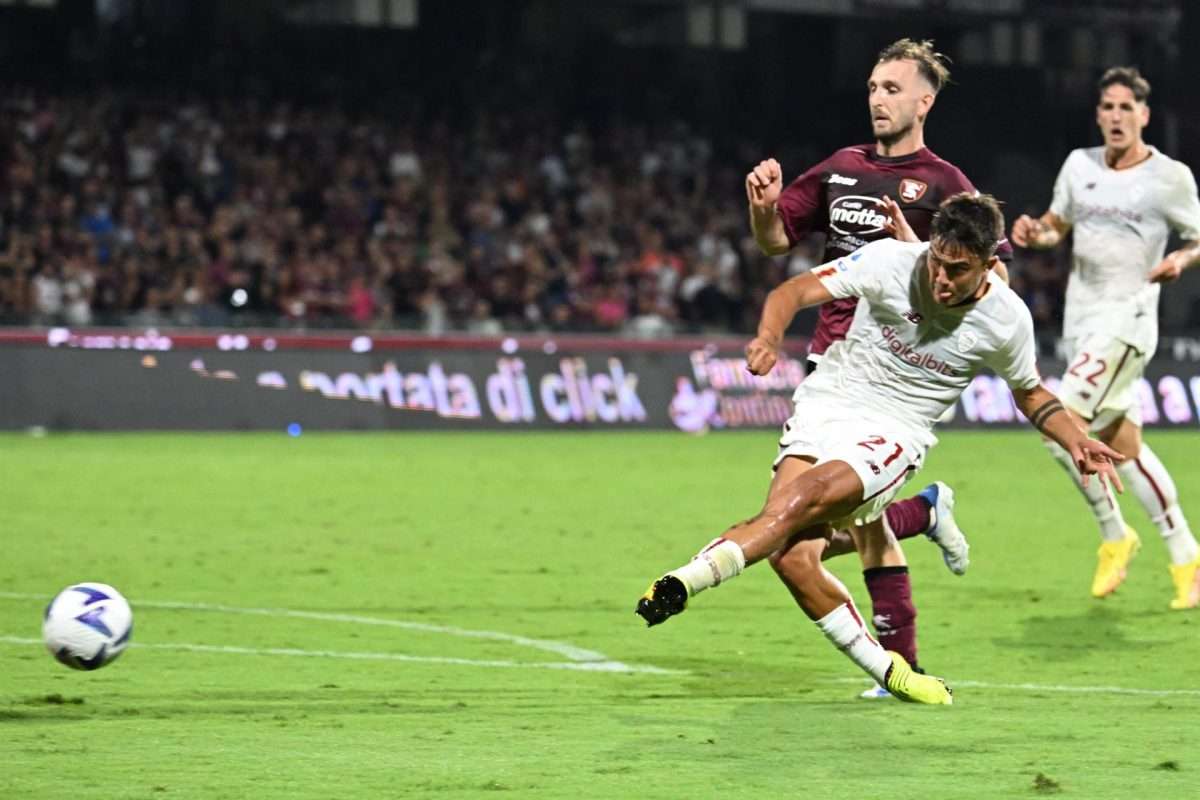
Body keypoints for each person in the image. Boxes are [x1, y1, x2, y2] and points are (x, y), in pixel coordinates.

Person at [635, 193, 1123, 704]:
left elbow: (1030, 392)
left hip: (895, 429)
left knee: (802, 501)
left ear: (988, 264)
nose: (940, 277)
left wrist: (1076, 438)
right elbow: (794, 291)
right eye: (936, 259)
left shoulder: (1006, 320)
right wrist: (768, 337)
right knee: (791, 557)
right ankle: (891, 670)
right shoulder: (890, 261)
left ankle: (683, 581)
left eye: (957, 269)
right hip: (829, 400)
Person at [744, 38, 1013, 695]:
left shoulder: (947, 184)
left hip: (892, 367)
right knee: (854, 525)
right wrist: (761, 205)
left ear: (925, 101)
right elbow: (778, 240)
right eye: (872, 88)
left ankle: (920, 523)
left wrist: (918, 250)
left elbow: (995, 277)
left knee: (809, 527)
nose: (878, 99)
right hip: (831, 361)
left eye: (892, 89)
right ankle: (906, 660)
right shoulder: (841, 169)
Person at [1011, 66, 1200, 610]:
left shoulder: (1169, 177)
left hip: (1128, 320)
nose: (1116, 117)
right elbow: (1055, 226)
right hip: (1083, 320)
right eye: (1108, 107)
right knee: (1122, 445)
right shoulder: (1079, 165)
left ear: (1144, 114)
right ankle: (1186, 554)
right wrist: (1034, 233)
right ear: (1098, 114)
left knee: (1059, 424)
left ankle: (1115, 534)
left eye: (1127, 108)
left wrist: (1180, 262)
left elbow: (1196, 236)